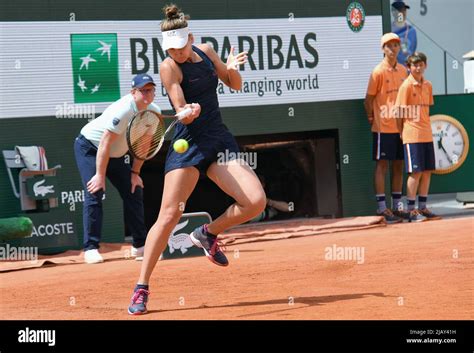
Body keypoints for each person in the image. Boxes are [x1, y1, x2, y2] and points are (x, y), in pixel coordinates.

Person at [127, 4, 266, 315]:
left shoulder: (206, 51)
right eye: (170, 49)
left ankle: (207, 233)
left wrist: (230, 67)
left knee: (255, 202)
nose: (176, 53)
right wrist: (187, 111)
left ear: (190, 38)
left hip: (217, 138)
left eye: (180, 47)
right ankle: (141, 286)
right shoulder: (168, 67)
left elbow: (235, 83)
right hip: (188, 145)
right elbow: (180, 103)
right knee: (168, 217)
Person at [74, 74, 161, 264]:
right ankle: (91, 248)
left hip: (117, 155)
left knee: (134, 190)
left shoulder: (153, 112)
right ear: (133, 92)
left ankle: (140, 246)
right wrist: (99, 175)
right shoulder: (123, 110)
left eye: (151, 90)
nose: (148, 94)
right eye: (143, 90)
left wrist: (135, 173)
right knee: (94, 191)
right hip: (91, 148)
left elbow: (143, 146)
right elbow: (105, 143)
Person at [364, 33, 408, 224]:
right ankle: (382, 208)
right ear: (383, 49)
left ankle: (397, 207)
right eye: (388, 46)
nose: (392, 49)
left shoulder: (403, 70)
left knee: (399, 164)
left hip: (402, 127)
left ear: (399, 48)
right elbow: (368, 99)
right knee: (382, 165)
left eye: (395, 45)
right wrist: (371, 116)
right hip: (383, 127)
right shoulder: (377, 72)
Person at [396, 52, 441, 222]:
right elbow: (398, 113)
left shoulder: (428, 85)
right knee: (416, 172)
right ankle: (411, 210)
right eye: (414, 65)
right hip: (411, 135)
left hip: (426, 134)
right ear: (408, 67)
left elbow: (426, 110)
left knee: (427, 171)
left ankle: (423, 207)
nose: (418, 67)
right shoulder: (406, 86)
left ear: (425, 66)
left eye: (421, 64)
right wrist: (401, 132)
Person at [391, 1, 417, 66]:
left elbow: (413, 50)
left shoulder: (412, 30)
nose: (403, 13)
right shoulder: (389, 29)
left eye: (404, 10)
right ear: (393, 12)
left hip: (408, 69)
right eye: (400, 10)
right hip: (394, 69)